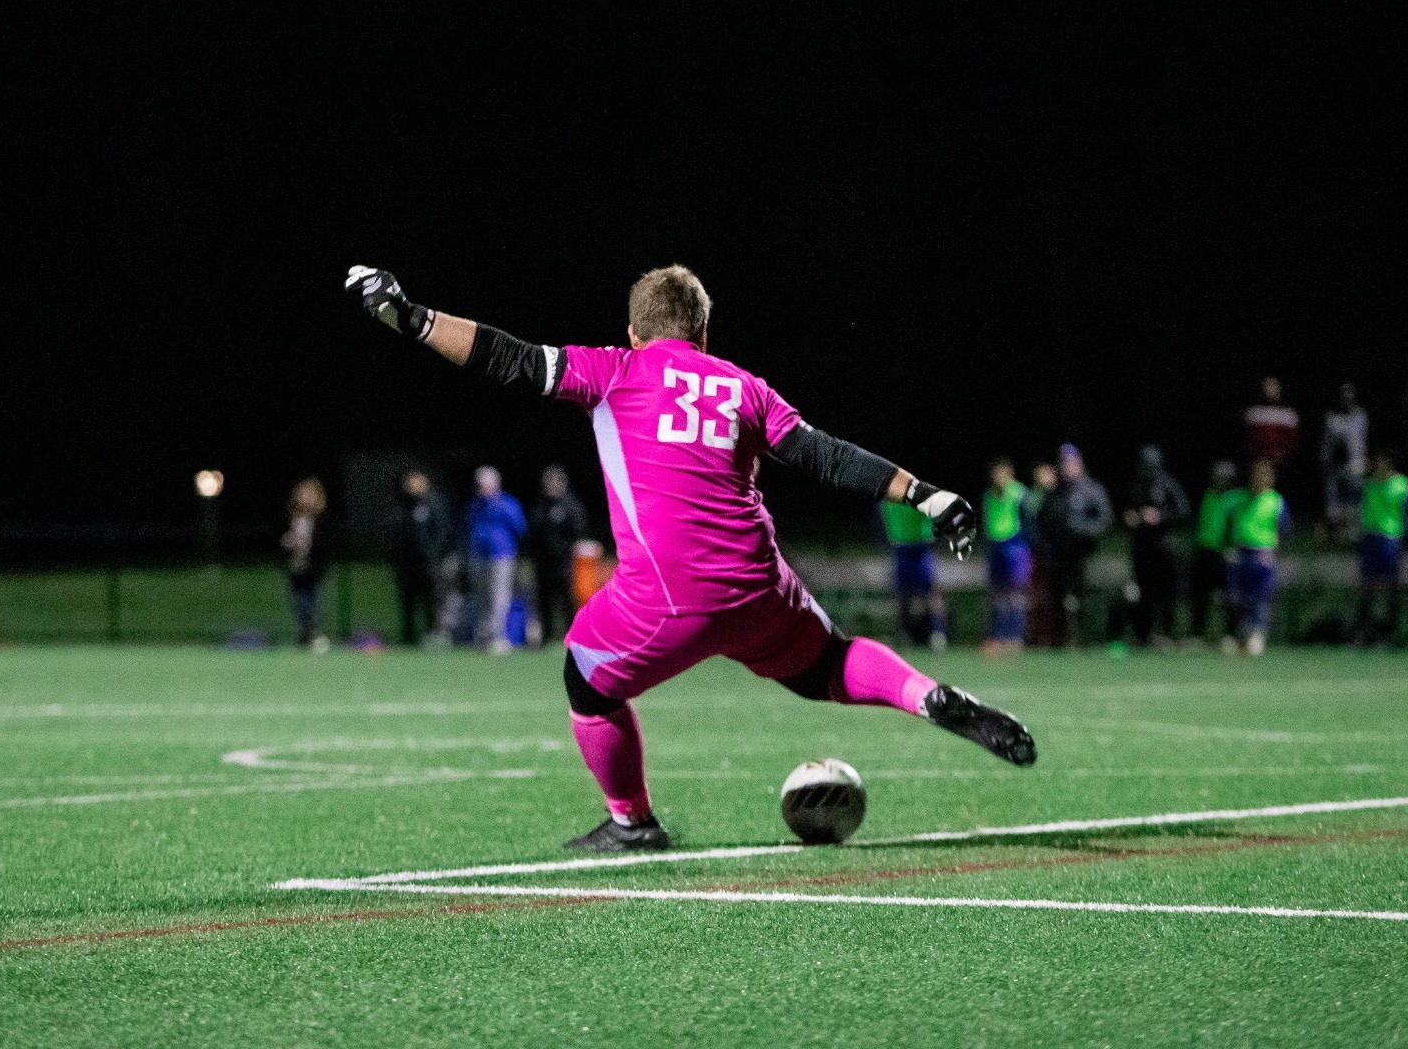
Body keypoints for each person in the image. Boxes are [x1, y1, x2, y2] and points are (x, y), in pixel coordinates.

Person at [345, 262, 1035, 852]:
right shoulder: (745, 386)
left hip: (665, 595)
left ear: (634, 333)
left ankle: (632, 821)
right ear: (704, 335)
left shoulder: (614, 370)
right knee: (827, 662)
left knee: (586, 678)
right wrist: (924, 493)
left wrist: (413, 317)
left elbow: (509, 356)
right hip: (760, 583)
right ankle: (926, 694)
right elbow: (823, 454)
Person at [1039, 445, 1112, 645]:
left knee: (1084, 596)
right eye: (1063, 463)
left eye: (1070, 462)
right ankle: (1059, 640)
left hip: (1084, 554)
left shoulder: (1092, 489)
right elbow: (1043, 521)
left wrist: (1084, 533)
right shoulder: (1054, 493)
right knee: (1057, 597)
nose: (1066, 467)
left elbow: (1104, 519)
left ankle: (1088, 639)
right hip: (1058, 554)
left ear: (1079, 463)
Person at [1121, 445, 1190, 647]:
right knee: (1143, 592)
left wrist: (1160, 516)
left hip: (1164, 547)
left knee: (1166, 591)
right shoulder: (1137, 485)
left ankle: (1167, 633)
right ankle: (1143, 635)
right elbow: (1127, 510)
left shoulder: (1167, 484)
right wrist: (1132, 517)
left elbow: (1183, 511)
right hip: (1141, 548)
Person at [1225, 457, 1289, 655]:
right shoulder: (1238, 499)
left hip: (1262, 554)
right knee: (1237, 598)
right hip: (1240, 553)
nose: (1259, 480)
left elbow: (1284, 530)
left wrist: (1273, 552)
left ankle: (1257, 634)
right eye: (1256, 476)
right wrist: (1228, 547)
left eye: (1263, 477)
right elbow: (1228, 526)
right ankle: (1239, 635)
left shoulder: (1275, 501)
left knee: (1260, 598)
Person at [1353, 451, 1408, 647]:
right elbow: (1363, 510)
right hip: (1370, 539)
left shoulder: (1401, 484)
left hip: (1390, 539)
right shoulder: (1369, 484)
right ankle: (1365, 632)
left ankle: (1392, 632)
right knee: (1367, 587)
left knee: (1391, 588)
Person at [465, 465, 527, 653]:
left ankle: (499, 636)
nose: (482, 489)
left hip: (501, 555)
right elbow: (468, 528)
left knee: (500, 597)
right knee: (481, 597)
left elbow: (520, 528)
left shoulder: (507, 504)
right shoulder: (474, 506)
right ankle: (482, 637)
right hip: (478, 555)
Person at [527, 465, 588, 645]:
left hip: (565, 562)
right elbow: (534, 533)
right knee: (544, 601)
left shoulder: (571, 506)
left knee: (567, 600)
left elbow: (579, 532)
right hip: (544, 563)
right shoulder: (541, 507)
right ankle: (546, 636)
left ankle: (572, 637)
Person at [390, 470, 452, 645]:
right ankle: (408, 636)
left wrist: (434, 554)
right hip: (408, 564)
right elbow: (397, 534)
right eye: (410, 483)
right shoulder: (402, 506)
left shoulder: (434, 503)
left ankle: (431, 634)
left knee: (429, 601)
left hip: (429, 564)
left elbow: (442, 532)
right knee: (408, 601)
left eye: (417, 483)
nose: (412, 487)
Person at [980, 458, 1032, 652]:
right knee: (997, 594)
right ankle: (998, 637)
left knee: (1016, 593)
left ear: (1010, 474)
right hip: (995, 549)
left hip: (1015, 548)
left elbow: (1028, 522)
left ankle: (1016, 637)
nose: (999, 478)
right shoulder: (988, 495)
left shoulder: (1019, 493)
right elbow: (986, 522)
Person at [883, 497, 946, 651]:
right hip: (901, 548)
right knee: (903, 594)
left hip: (921, 547)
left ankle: (937, 633)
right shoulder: (887, 500)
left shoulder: (916, 496)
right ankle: (906, 634)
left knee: (931, 592)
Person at [1188, 461, 1238, 644]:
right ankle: (1197, 635)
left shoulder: (1235, 498)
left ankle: (1230, 635)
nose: (1219, 480)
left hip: (1223, 553)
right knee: (1200, 596)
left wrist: (1232, 547)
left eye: (1224, 477)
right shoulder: (1207, 495)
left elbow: (1235, 526)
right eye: (1217, 476)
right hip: (1203, 551)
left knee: (1228, 597)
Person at [280, 477, 331, 651]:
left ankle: (312, 633)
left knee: (310, 601)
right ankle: (305, 634)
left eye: (310, 494)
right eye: (302, 494)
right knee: (297, 601)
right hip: (295, 565)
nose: (305, 498)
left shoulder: (320, 517)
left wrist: (311, 547)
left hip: (312, 566)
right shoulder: (291, 516)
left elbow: (325, 541)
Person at [1321, 382, 1369, 541]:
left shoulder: (1361, 416)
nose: (1346, 399)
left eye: (1350, 396)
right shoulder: (1331, 418)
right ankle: (1334, 535)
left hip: (1355, 463)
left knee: (1354, 498)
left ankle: (1353, 534)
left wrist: (1363, 460)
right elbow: (1327, 443)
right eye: (1343, 396)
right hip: (1335, 463)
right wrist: (1326, 458)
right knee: (1334, 498)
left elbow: (1363, 440)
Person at [1024, 460, 1061, 647]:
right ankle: (1036, 637)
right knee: (1035, 595)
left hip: (1056, 554)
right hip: (1036, 552)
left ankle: (1054, 636)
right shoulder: (1031, 496)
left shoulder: (1060, 495)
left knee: (1053, 596)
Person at [1243, 376, 1300, 469]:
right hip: (1257, 464)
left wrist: (1280, 457)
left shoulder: (1289, 415)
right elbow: (1247, 442)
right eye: (1267, 386)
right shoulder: (1253, 413)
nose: (1270, 390)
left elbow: (1293, 444)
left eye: (1273, 386)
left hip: (1283, 465)